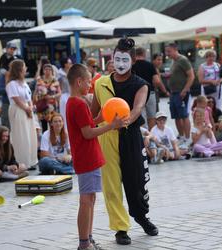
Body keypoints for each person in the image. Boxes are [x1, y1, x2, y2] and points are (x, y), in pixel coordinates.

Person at [91, 38, 159, 245]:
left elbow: (138, 107)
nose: (120, 63)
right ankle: (120, 228)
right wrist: (84, 128)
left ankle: (140, 216)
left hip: (130, 136)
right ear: (111, 59)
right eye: (117, 58)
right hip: (106, 136)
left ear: (132, 61)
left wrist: (126, 118)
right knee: (111, 185)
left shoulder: (141, 85)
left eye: (125, 59)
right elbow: (93, 114)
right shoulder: (100, 83)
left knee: (136, 181)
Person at [66, 64, 127, 250]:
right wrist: (111, 125)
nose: (90, 85)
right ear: (78, 81)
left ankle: (88, 239)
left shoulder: (74, 102)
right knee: (86, 201)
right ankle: (84, 243)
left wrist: (101, 118)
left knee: (90, 199)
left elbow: (88, 124)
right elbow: (87, 133)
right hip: (87, 157)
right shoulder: (78, 103)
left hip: (88, 156)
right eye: (87, 81)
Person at [6, 59, 38, 170]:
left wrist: (30, 107)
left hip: (27, 110)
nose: (26, 69)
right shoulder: (11, 84)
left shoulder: (24, 83)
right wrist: (27, 109)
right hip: (18, 110)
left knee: (30, 135)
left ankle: (32, 160)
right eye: (24, 67)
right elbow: (17, 99)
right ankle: (22, 161)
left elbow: (28, 98)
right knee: (21, 135)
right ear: (19, 69)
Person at [165, 43, 195, 147]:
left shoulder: (183, 60)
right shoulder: (174, 61)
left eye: (169, 51)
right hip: (174, 92)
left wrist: (185, 90)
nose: (167, 54)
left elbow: (191, 76)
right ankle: (181, 136)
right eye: (166, 51)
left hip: (181, 92)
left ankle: (187, 138)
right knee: (176, 116)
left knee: (184, 115)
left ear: (175, 49)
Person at [132, 47, 169, 129]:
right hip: (150, 93)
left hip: (137, 94)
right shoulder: (150, 65)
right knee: (152, 116)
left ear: (135, 55)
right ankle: (151, 137)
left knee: (141, 116)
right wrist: (154, 87)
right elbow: (157, 80)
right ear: (144, 54)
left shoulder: (132, 66)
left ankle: (144, 138)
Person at [0, 41, 20, 129]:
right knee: (6, 126)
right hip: (7, 103)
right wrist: (10, 89)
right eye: (11, 49)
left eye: (14, 49)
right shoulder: (3, 77)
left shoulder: (16, 57)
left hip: (17, 105)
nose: (13, 50)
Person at [33, 64, 61, 132]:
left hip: (52, 105)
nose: (47, 71)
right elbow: (35, 91)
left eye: (49, 69)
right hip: (42, 105)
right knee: (44, 125)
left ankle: (53, 140)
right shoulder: (40, 80)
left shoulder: (55, 80)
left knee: (53, 124)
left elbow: (60, 93)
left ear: (52, 71)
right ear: (43, 71)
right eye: (46, 69)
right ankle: (45, 140)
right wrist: (34, 101)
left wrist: (52, 96)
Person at [58, 57, 73, 128]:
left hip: (72, 96)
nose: (71, 64)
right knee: (64, 115)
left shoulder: (71, 73)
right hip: (64, 97)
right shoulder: (59, 75)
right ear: (65, 64)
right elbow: (58, 87)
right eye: (69, 63)